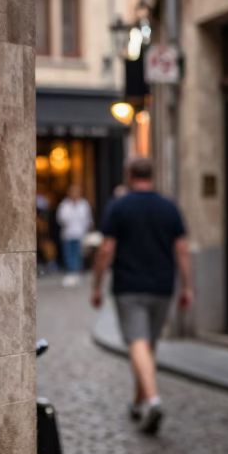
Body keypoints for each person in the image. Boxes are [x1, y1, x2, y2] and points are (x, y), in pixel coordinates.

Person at [91, 155, 193, 435]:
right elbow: (182, 250)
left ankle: (153, 400)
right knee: (148, 346)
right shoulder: (169, 207)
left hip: (129, 286)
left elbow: (106, 250)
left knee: (137, 343)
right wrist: (187, 286)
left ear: (129, 175)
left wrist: (97, 286)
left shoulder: (119, 206)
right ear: (152, 175)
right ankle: (139, 402)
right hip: (162, 286)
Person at [56, 184, 93, 286]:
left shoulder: (83, 204)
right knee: (68, 253)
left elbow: (87, 219)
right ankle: (70, 273)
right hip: (68, 233)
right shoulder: (65, 205)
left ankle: (76, 273)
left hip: (80, 233)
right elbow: (60, 218)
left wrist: (86, 230)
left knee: (77, 254)